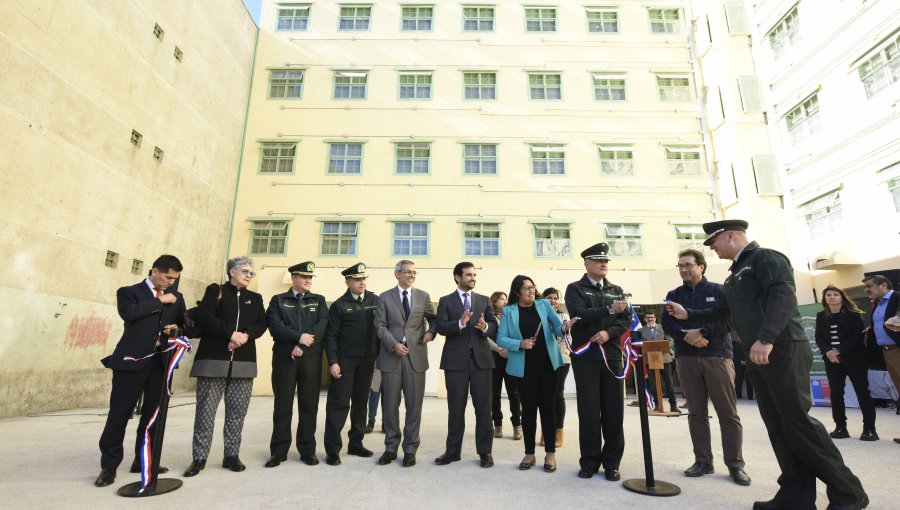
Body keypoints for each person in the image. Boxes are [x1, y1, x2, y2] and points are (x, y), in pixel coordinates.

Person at [666, 220, 867, 510]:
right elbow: (723, 311)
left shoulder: (765, 258)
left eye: (715, 243)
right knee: (778, 426)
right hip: (760, 354)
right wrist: (689, 314)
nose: (713, 249)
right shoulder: (736, 274)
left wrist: (766, 337)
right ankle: (795, 496)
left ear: (731, 236)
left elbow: (783, 297)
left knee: (798, 423)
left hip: (781, 348)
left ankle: (849, 492)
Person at [95, 255, 185, 487]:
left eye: (174, 279)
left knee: (153, 416)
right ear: (154, 271)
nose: (170, 283)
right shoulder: (128, 292)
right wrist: (160, 301)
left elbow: (185, 324)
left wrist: (177, 328)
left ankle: (144, 460)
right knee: (120, 414)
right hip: (131, 362)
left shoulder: (178, 297)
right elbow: (129, 313)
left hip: (160, 364)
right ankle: (109, 466)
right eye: (167, 277)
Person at [662, 248, 750, 486]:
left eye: (688, 265)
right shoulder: (673, 294)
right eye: (680, 265)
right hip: (686, 358)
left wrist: (701, 332)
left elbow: (728, 320)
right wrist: (686, 335)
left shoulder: (719, 291)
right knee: (696, 413)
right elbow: (668, 324)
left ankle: (735, 464)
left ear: (701, 266)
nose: (684, 269)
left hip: (717, 356)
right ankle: (703, 461)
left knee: (727, 413)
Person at [184, 256, 267, 476]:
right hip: (214, 360)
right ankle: (199, 458)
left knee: (237, 413)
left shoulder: (256, 298)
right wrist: (230, 334)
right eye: (245, 271)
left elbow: (262, 324)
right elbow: (204, 317)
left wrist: (245, 336)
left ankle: (231, 455)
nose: (249, 275)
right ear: (231, 272)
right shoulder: (216, 291)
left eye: (252, 273)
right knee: (205, 412)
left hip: (243, 362)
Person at [564, 242, 631, 481]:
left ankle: (612, 463)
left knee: (614, 411)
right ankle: (590, 462)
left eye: (606, 261)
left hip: (611, 356)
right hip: (586, 357)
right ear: (587, 263)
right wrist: (608, 309)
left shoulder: (616, 288)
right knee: (589, 411)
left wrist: (608, 333)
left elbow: (626, 319)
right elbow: (579, 315)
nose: (604, 264)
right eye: (598, 260)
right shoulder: (575, 288)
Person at [496, 276, 568, 473]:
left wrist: (564, 328)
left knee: (548, 408)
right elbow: (500, 338)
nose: (531, 290)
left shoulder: (544, 304)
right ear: (517, 291)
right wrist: (520, 344)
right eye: (526, 288)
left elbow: (557, 328)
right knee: (528, 410)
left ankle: (550, 454)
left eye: (532, 287)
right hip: (524, 367)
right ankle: (529, 453)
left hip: (549, 365)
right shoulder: (509, 311)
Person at [434, 262, 498, 468]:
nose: (473, 278)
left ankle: (485, 452)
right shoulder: (445, 301)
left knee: (483, 409)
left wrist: (484, 326)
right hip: (455, 363)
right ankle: (452, 452)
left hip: (481, 362)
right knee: (455, 409)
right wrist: (460, 323)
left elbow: (494, 327)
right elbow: (442, 327)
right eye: (468, 275)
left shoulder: (484, 300)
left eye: (474, 275)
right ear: (457, 277)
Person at [265, 261, 329, 467]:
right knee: (282, 404)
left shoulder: (318, 301)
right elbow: (275, 326)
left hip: (310, 359)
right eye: (303, 276)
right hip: (285, 358)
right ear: (293, 278)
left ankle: (307, 450)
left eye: (310, 277)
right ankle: (278, 451)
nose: (308, 280)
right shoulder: (278, 300)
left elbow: (322, 325)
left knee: (309, 405)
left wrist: (303, 344)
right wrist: (297, 338)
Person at [374, 260, 436, 467]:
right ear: (397, 274)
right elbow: (379, 326)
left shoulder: (423, 296)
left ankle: (410, 449)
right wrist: (393, 345)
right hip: (391, 358)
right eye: (407, 272)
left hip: (415, 359)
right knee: (390, 406)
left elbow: (433, 320)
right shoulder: (384, 297)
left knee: (414, 407)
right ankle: (391, 448)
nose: (411, 275)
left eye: (414, 272)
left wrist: (430, 332)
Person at [323, 262, 379, 466]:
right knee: (339, 404)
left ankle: (356, 443)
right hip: (345, 361)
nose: (361, 282)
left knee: (361, 403)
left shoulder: (375, 300)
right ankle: (332, 449)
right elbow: (331, 335)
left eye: (363, 279)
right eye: (357, 279)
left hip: (368, 359)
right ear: (348, 281)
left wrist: (379, 356)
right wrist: (333, 361)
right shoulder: (339, 305)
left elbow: (380, 329)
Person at [815, 285, 877, 441]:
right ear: (825, 299)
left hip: (855, 359)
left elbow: (857, 337)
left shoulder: (853, 315)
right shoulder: (821, 315)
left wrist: (839, 350)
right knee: (836, 394)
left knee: (862, 392)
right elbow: (819, 337)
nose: (832, 297)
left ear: (842, 297)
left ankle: (869, 429)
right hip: (832, 361)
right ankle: (841, 427)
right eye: (828, 294)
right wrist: (829, 352)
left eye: (836, 294)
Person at [862, 274, 900, 420]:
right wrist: (873, 329)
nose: (866, 290)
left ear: (883, 285)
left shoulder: (897, 297)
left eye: (869, 286)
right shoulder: (878, 304)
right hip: (887, 353)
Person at [489, 291, 522, 440]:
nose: (504, 301)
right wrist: (499, 349)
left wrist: (510, 349)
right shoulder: (489, 318)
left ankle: (517, 425)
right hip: (495, 358)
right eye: (501, 299)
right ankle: (497, 425)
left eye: (505, 299)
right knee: (494, 394)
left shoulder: (511, 316)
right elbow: (485, 337)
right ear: (494, 301)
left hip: (510, 358)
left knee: (514, 393)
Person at [541, 287, 570, 448]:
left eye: (555, 298)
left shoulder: (564, 315)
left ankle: (559, 430)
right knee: (545, 395)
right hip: (542, 359)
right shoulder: (538, 314)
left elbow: (564, 336)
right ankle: (546, 430)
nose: (552, 301)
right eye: (549, 298)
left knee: (558, 393)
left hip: (561, 358)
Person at [643, 311, 679, 414]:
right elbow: (640, 344)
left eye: (652, 317)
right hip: (649, 360)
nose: (650, 319)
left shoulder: (663, 328)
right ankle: (657, 405)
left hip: (664, 359)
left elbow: (670, 341)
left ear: (655, 318)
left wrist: (666, 347)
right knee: (653, 385)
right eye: (648, 318)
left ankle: (673, 406)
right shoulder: (641, 330)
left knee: (669, 384)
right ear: (645, 319)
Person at [732, 331, 754, 400]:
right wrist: (740, 360)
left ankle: (750, 396)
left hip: (748, 363)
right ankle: (738, 395)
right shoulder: (734, 343)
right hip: (739, 363)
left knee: (749, 379)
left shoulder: (749, 343)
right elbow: (733, 353)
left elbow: (751, 352)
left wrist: (747, 361)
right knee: (738, 378)